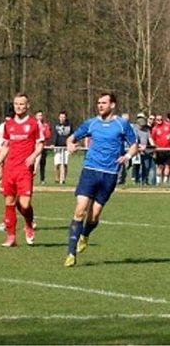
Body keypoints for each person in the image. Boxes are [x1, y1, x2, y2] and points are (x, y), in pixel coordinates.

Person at [64, 92, 138, 267]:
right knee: (80, 210)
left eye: (104, 102)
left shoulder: (122, 124)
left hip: (109, 174)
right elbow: (72, 137)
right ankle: (71, 253)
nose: (100, 105)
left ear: (112, 105)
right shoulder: (91, 123)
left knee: (94, 216)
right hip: (89, 171)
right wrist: (70, 145)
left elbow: (134, 145)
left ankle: (85, 235)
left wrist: (127, 156)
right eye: (98, 102)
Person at [0, 93, 43, 247]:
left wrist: (33, 156)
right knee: (9, 202)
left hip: (24, 169)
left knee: (25, 204)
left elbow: (40, 144)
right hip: (10, 169)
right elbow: (6, 146)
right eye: (16, 104)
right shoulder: (8, 125)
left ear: (28, 106)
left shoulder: (34, 124)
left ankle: (28, 222)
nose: (19, 106)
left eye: (22, 104)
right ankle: (11, 238)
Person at [52, 111, 73, 184]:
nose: (62, 118)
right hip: (57, 147)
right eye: (61, 117)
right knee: (57, 164)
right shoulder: (55, 125)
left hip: (66, 147)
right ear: (59, 117)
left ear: (66, 117)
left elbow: (72, 135)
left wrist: (72, 144)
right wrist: (53, 144)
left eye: (63, 117)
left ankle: (63, 179)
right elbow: (54, 135)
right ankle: (57, 179)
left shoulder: (70, 125)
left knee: (65, 164)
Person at [131, 113, 151, 185]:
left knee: (146, 166)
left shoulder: (147, 129)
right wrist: (139, 146)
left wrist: (153, 146)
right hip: (136, 151)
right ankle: (136, 181)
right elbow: (134, 140)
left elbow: (150, 138)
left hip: (146, 151)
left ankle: (144, 181)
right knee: (136, 166)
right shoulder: (133, 128)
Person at [151, 113, 170, 186]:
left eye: (161, 119)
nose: (159, 121)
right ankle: (158, 182)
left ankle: (165, 182)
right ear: (155, 120)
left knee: (167, 165)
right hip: (159, 150)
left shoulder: (168, 125)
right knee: (160, 166)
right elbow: (152, 139)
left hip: (168, 149)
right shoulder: (154, 129)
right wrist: (154, 149)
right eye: (158, 119)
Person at [34, 111, 52, 185]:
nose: (40, 117)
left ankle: (42, 179)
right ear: (35, 116)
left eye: (41, 115)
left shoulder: (45, 125)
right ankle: (31, 177)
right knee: (32, 162)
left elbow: (47, 135)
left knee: (42, 164)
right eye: (38, 115)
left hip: (43, 146)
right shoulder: (33, 124)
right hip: (34, 146)